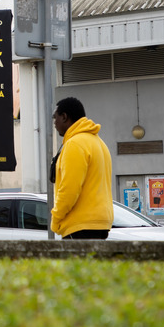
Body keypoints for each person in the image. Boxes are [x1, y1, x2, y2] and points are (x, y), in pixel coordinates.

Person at [50, 97, 114, 239]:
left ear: (64, 116)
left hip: (80, 224)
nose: (54, 123)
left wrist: (55, 219)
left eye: (55, 118)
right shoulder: (99, 142)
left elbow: (69, 189)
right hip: (100, 223)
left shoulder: (75, 144)